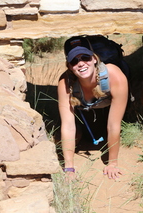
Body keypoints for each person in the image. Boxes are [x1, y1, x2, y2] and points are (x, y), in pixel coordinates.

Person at [57, 36, 128, 180]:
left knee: (109, 126)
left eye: (85, 57)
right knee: (85, 135)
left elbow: (114, 125)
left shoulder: (114, 75)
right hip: (85, 111)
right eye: (74, 60)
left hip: (109, 106)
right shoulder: (66, 82)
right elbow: (68, 125)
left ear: (94, 58)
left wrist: (112, 163)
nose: (81, 63)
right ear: (69, 66)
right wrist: (69, 167)